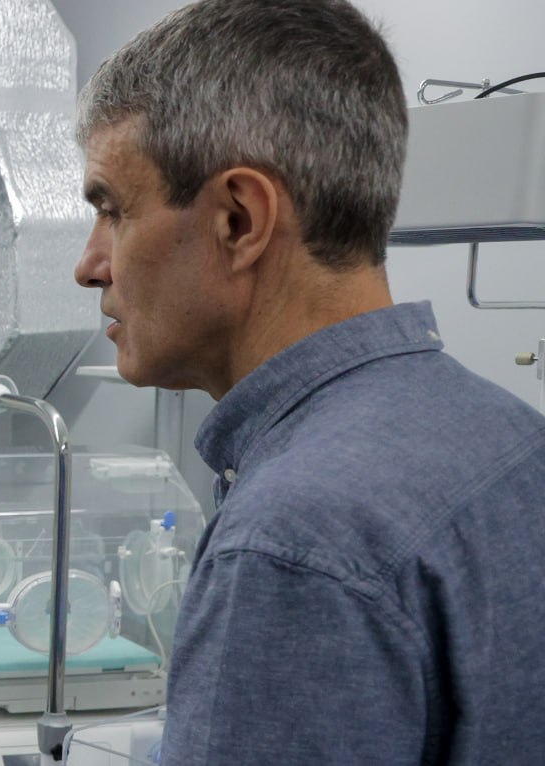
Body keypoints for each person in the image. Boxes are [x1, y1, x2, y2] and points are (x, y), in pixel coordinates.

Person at [73, 0, 545, 762]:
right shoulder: (516, 438)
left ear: (238, 220)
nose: (90, 265)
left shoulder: (289, 542)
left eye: (113, 211)